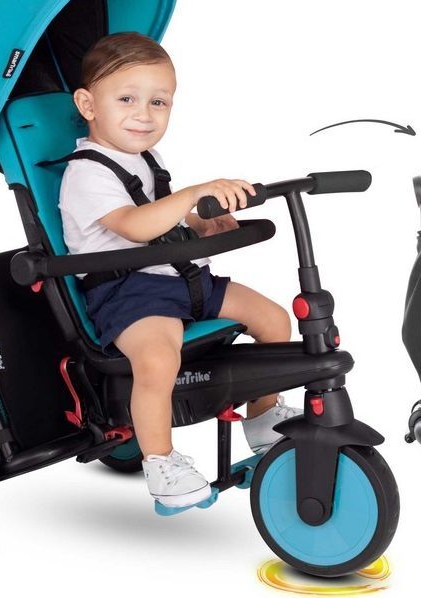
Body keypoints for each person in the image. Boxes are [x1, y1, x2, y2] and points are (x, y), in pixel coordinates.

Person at [59, 32, 300, 508]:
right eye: (126, 99)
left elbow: (160, 218)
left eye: (159, 102)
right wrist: (191, 194)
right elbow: (133, 225)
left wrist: (200, 223)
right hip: (128, 293)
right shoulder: (87, 172)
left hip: (182, 277)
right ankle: (161, 461)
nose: (144, 114)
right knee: (157, 360)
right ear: (87, 104)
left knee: (275, 320)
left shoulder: (146, 159)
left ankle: (262, 417)